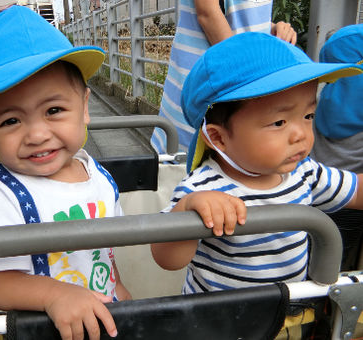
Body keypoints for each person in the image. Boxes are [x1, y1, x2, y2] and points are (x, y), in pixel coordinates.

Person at [0, 6, 131, 340]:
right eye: (11, 121)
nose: (37, 135)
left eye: (54, 111)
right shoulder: (1, 196)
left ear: (84, 107)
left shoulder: (96, 175)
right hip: (45, 331)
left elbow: (102, 253)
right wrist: (55, 295)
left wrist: (120, 290)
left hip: (101, 317)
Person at [151, 32, 363, 293]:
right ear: (219, 138)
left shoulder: (305, 173)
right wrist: (187, 210)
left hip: (287, 311)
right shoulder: (202, 188)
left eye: (308, 115)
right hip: (220, 322)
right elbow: (167, 259)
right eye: (279, 122)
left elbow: (356, 190)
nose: (301, 135)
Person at [151, 0, 297, 154]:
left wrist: (270, 28)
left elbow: (242, 15)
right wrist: (252, 83)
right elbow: (207, 14)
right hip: (216, 86)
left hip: (245, 88)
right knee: (193, 162)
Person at [310, 24, 363, 270]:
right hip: (353, 197)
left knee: (311, 251)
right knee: (339, 263)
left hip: (313, 190)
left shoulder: (321, 97)